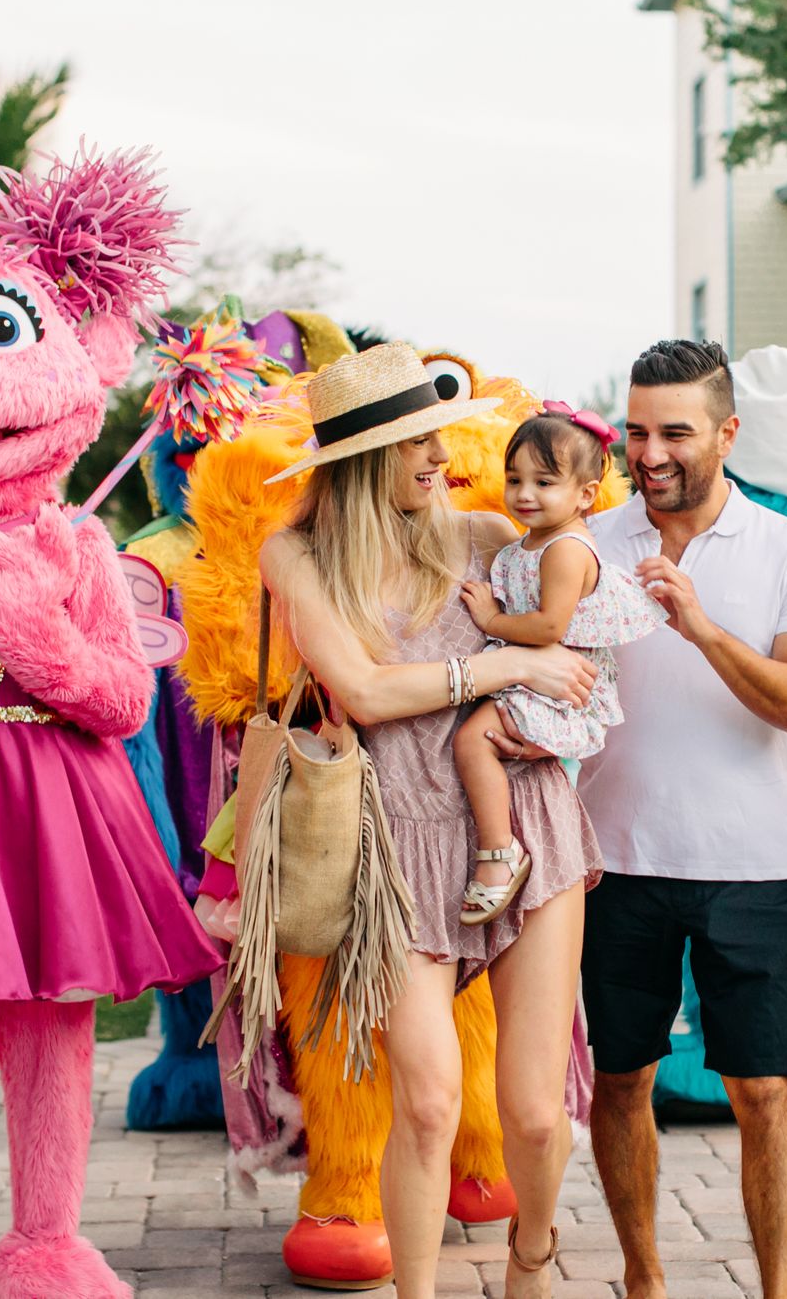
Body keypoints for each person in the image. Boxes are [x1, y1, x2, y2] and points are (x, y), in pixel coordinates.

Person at [258, 342, 604, 1298]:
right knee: (429, 1101)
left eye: (438, 435)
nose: (440, 457)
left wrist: (548, 689)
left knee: (533, 1113)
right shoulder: (297, 551)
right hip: (396, 842)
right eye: (417, 442)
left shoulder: (489, 534)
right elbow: (364, 690)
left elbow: (583, 632)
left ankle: (530, 1255)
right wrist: (500, 668)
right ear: (364, 458)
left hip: (525, 825)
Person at [571, 338, 787, 1299]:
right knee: (621, 1081)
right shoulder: (590, 544)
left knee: (764, 1090)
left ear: (728, 433)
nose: (651, 452)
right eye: (637, 430)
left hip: (750, 865)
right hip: (614, 866)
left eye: (675, 432)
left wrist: (703, 628)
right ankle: (645, 1280)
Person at [454, 404, 664, 926]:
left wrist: (492, 619)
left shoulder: (566, 550)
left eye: (544, 482)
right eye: (514, 479)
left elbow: (550, 627)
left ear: (586, 494)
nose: (525, 494)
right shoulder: (530, 541)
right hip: (532, 674)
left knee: (470, 743)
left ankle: (500, 855)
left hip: (556, 683)